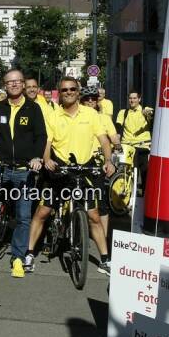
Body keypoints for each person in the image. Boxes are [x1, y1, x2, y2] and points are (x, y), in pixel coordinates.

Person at [27, 78, 115, 272]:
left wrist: (108, 161)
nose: (69, 92)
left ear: (78, 91)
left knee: (93, 215)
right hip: (59, 169)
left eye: (72, 89)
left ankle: (105, 259)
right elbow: (47, 142)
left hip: (84, 169)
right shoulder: (52, 115)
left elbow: (104, 140)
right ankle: (30, 253)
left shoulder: (91, 114)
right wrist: (47, 159)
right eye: (65, 89)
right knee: (43, 212)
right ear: (60, 92)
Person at [0, 69, 47, 279]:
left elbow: (41, 136)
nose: (13, 85)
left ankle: (18, 259)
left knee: (23, 217)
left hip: (24, 170)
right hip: (0, 165)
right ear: (4, 85)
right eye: (9, 82)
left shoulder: (33, 108)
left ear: (23, 84)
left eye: (17, 82)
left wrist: (37, 157)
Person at [83, 86, 121, 272]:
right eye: (87, 99)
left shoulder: (104, 118)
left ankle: (103, 238)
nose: (90, 102)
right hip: (80, 163)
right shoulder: (80, 116)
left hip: (98, 165)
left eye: (93, 99)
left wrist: (118, 145)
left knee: (102, 204)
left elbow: (113, 137)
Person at [117, 91, 153, 196]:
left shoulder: (144, 111)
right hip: (127, 145)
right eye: (130, 98)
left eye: (134, 98)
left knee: (144, 170)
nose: (132, 100)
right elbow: (118, 127)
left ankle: (145, 194)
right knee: (126, 170)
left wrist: (149, 114)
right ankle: (128, 190)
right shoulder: (123, 112)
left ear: (139, 99)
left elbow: (152, 115)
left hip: (142, 145)